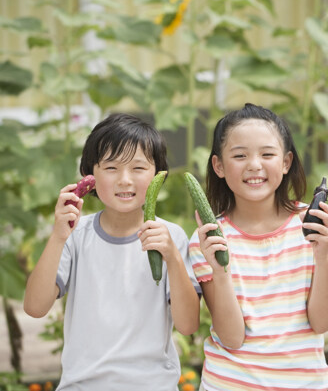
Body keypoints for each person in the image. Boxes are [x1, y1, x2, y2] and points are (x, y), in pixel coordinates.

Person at [23, 113, 201, 391]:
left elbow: (188, 325)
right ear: (90, 176)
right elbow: (34, 308)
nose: (125, 180)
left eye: (138, 168)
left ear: (158, 175)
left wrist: (173, 258)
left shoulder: (171, 237)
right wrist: (58, 237)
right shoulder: (74, 235)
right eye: (111, 168)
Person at [189, 103, 328, 391]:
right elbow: (231, 337)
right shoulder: (208, 238)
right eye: (240, 155)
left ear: (286, 162)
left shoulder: (316, 227)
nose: (254, 165)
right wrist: (219, 271)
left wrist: (322, 255)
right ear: (219, 166)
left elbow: (322, 322)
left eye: (267, 154)